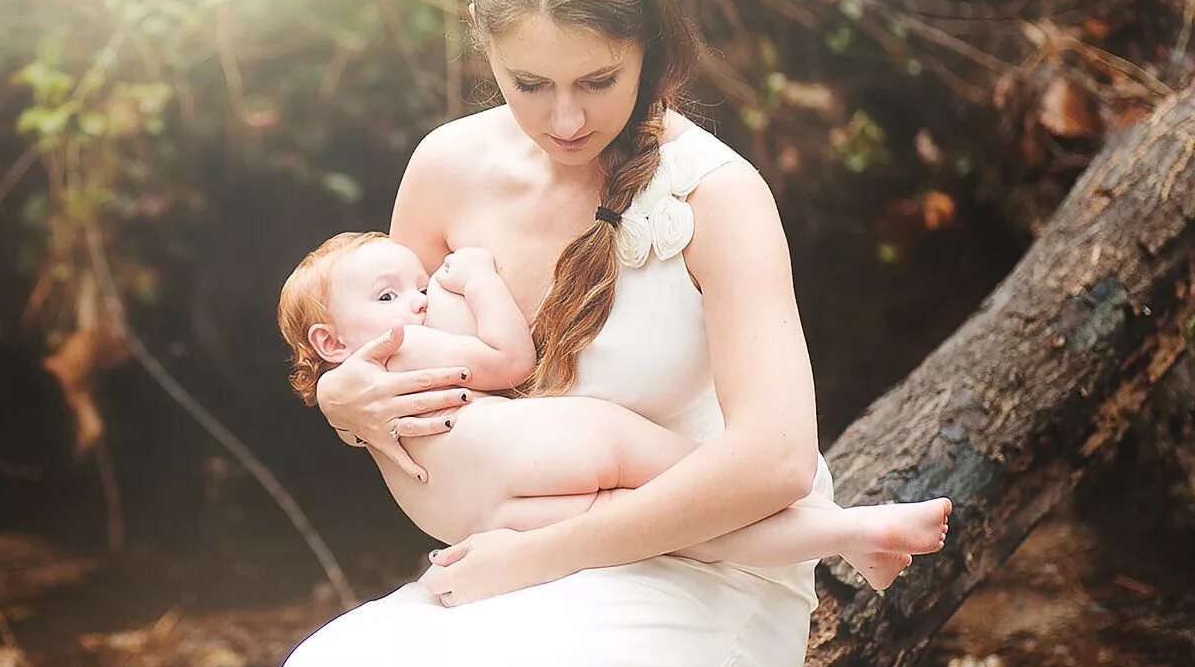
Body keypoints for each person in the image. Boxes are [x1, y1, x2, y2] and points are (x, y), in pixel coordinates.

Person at [273, 0, 881, 667]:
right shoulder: (446, 167)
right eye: (529, 83)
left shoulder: (715, 195)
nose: (564, 118)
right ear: (485, 53)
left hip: (702, 554)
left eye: (597, 81)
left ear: (652, 49)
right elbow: (386, 343)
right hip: (525, 545)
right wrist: (343, 404)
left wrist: (542, 557)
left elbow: (771, 456)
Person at [274, 230, 950, 587]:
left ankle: (856, 537)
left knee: (691, 533)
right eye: (389, 295)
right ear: (331, 340)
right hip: (558, 443)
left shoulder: (366, 379)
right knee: (701, 490)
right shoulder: (403, 346)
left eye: (419, 285)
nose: (417, 302)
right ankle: (853, 526)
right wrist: (477, 279)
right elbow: (509, 361)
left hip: (495, 513)